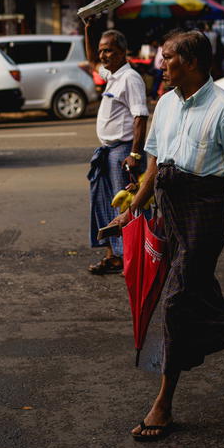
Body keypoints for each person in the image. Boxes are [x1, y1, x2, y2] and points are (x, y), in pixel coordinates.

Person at [108, 29, 224, 441]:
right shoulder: (166, 103)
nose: (160, 63)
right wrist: (133, 207)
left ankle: (163, 403)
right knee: (203, 294)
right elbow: (154, 166)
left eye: (167, 57)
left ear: (190, 62)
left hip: (204, 214)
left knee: (177, 302)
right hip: (169, 212)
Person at [85, 20, 148, 274]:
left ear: (123, 52)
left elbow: (140, 117)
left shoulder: (130, 78)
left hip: (122, 152)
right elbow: (91, 62)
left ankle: (130, 259)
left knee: (126, 207)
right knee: (103, 204)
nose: (103, 55)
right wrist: (88, 30)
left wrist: (134, 153)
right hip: (107, 152)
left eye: (109, 50)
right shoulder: (113, 75)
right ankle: (113, 256)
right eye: (102, 50)